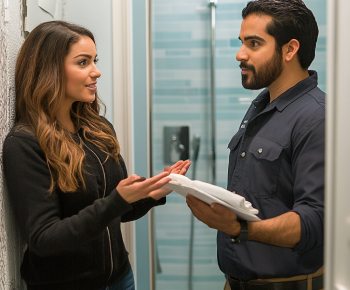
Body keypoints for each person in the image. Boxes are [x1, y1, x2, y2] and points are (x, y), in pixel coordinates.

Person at [2, 20, 190, 290]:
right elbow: (44, 238)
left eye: (95, 60)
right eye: (83, 62)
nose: (97, 72)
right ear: (50, 70)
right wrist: (118, 200)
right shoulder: (25, 143)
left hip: (121, 279)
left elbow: (116, 211)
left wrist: (153, 192)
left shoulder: (98, 130)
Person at [186, 0, 324, 289]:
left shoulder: (317, 117)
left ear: (290, 49)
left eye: (254, 43)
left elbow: (316, 220)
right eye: (242, 42)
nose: (240, 54)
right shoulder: (261, 106)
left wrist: (239, 228)